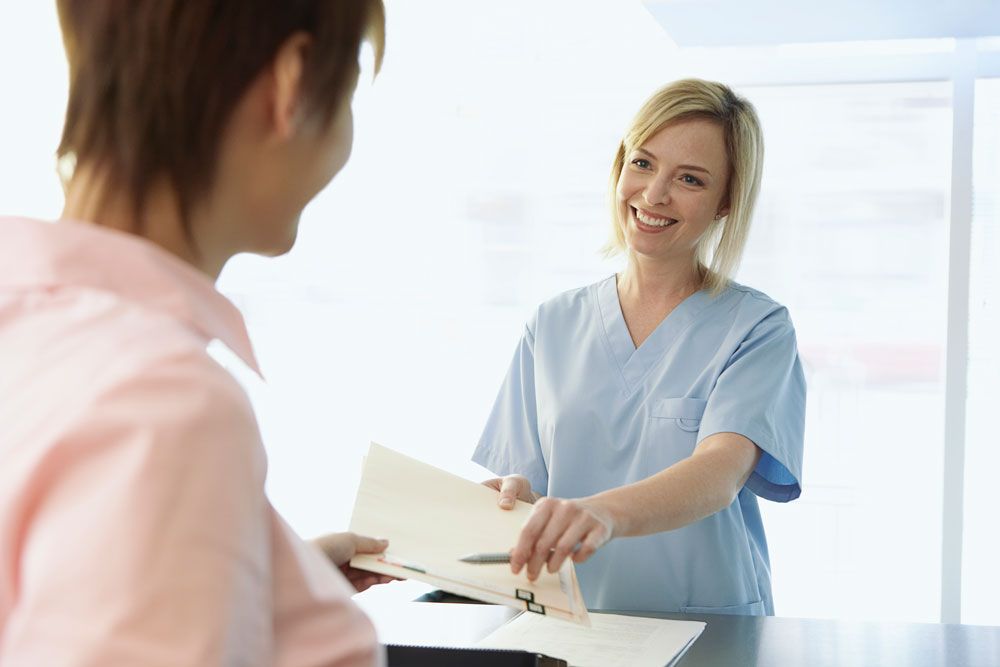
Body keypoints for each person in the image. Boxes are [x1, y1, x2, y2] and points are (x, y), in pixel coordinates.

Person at [0, 1, 391, 664]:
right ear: (292, 82)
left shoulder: (34, 325)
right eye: (349, 86)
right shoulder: (164, 407)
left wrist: (263, 565)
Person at [474, 79, 806, 616]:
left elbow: (720, 471)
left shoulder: (757, 328)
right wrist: (515, 498)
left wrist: (602, 513)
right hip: (566, 625)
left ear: (726, 201)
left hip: (707, 629)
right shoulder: (552, 325)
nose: (653, 195)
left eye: (690, 179)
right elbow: (535, 489)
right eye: (643, 163)